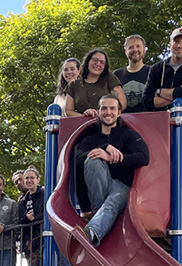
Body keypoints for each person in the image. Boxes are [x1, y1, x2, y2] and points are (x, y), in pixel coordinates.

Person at [74, 95, 150, 246]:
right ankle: (100, 214)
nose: (108, 112)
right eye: (104, 108)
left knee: (114, 200)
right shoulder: (89, 140)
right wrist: (85, 208)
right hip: (98, 191)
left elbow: (143, 157)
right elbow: (77, 161)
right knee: (92, 158)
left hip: (122, 186)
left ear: (119, 112)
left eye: (112, 108)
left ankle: (90, 234)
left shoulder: (128, 135)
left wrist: (113, 158)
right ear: (98, 111)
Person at [143, 27, 182, 115]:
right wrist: (179, 90)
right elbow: (147, 103)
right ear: (170, 45)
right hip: (160, 124)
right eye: (176, 41)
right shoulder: (157, 69)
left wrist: (159, 92)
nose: (180, 45)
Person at [65, 49, 126, 117]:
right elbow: (68, 111)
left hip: (107, 122)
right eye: (95, 60)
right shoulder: (73, 84)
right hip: (81, 124)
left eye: (102, 62)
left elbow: (122, 104)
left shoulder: (110, 79)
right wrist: (86, 115)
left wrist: (102, 113)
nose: (98, 64)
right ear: (88, 61)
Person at [114, 35, 149, 114]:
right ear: (125, 51)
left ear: (144, 50)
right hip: (123, 122)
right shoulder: (116, 75)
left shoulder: (152, 72)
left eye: (138, 46)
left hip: (147, 120)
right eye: (131, 47)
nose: (135, 50)